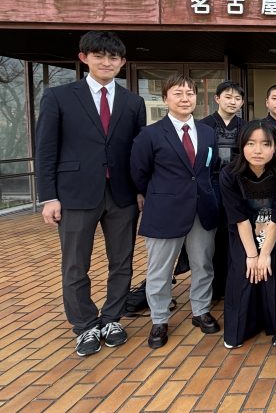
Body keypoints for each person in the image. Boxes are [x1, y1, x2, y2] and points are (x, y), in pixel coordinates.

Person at [35, 31, 146, 356]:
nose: (106, 62)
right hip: (74, 194)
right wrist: (49, 197)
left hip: (122, 194)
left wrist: (141, 190)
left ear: (122, 62)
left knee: (122, 261)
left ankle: (112, 319)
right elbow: (46, 149)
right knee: (75, 264)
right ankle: (84, 324)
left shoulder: (133, 102)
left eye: (113, 57)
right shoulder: (59, 96)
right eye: (99, 56)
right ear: (84, 58)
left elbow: (137, 152)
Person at [130, 74, 221, 349]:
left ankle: (200, 310)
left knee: (203, 264)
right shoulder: (151, 134)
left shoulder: (207, 132)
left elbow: (211, 168)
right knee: (160, 269)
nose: (184, 99)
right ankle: (159, 319)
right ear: (165, 98)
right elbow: (139, 172)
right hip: (164, 211)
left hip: (202, 210)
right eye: (178, 93)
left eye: (190, 93)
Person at [219, 121, 276, 349]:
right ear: (241, 145)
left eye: (265, 144)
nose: (258, 150)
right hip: (244, 232)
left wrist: (265, 254)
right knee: (245, 271)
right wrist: (253, 255)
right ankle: (243, 328)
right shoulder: (229, 174)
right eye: (251, 144)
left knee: (274, 272)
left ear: (275, 147)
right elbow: (239, 217)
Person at [198, 80, 245, 300]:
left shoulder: (245, 127)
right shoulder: (203, 125)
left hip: (238, 186)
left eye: (237, 98)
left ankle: (234, 283)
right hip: (210, 186)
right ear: (217, 98)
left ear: (242, 102)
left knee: (235, 234)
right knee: (211, 237)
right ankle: (214, 289)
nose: (232, 102)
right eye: (228, 97)